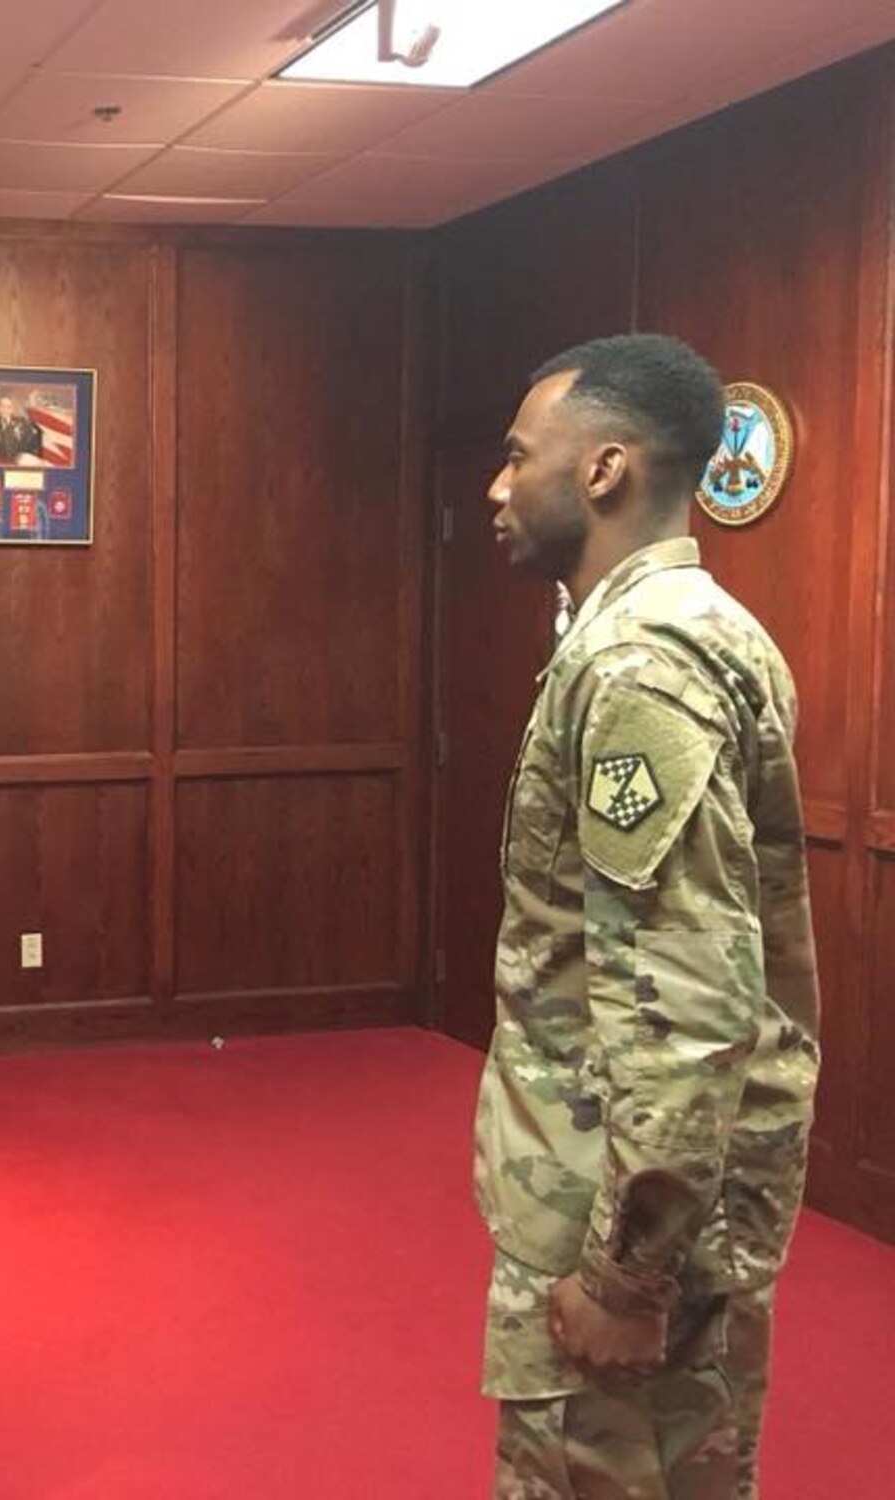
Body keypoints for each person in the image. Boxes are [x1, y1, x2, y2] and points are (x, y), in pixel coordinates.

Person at [474, 334, 820, 1499]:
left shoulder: (635, 665)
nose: (495, 486)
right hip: (654, 1200)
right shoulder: (695, 629)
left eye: (517, 457)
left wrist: (625, 1275)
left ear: (604, 470)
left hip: (617, 1217)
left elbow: (680, 1001)